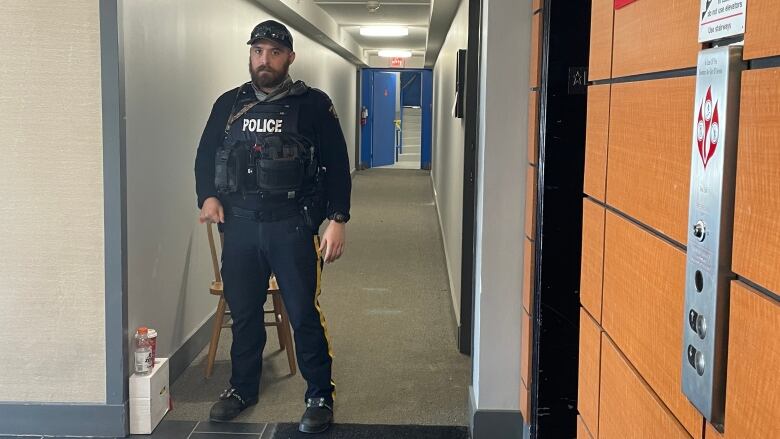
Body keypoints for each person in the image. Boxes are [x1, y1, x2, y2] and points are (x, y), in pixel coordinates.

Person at [193, 19, 351, 433]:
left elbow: (337, 166)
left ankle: (319, 392)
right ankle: (242, 388)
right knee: (244, 314)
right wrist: (207, 196)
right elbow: (205, 156)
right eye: (258, 51)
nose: (265, 60)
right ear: (250, 55)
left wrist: (337, 219)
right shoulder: (228, 105)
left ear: (290, 58)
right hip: (240, 229)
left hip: (292, 227)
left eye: (274, 52)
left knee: (302, 313)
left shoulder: (313, 105)